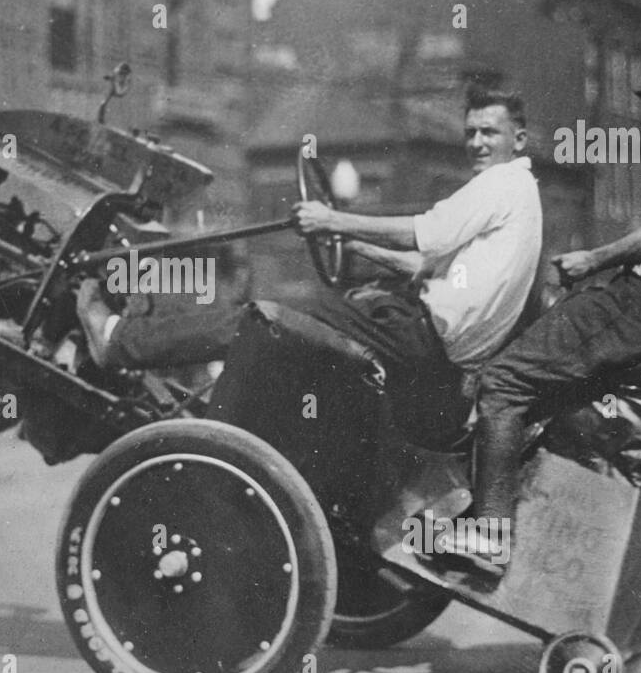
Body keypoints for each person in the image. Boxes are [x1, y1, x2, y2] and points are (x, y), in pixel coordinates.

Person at [446, 57, 641, 582]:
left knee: (502, 382)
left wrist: (590, 260)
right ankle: (501, 517)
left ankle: (490, 533)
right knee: (541, 400)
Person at [76, 86, 544, 436]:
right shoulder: (520, 196)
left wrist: (331, 217)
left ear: (518, 139)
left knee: (261, 321)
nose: (477, 143)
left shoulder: (500, 185)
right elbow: (420, 264)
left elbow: (422, 231)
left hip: (415, 334)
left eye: (490, 132)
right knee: (290, 335)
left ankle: (121, 341)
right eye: (471, 133)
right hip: (432, 351)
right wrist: (349, 241)